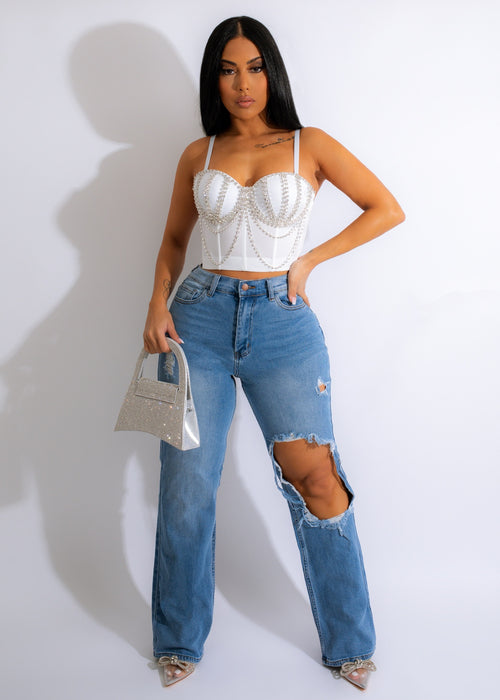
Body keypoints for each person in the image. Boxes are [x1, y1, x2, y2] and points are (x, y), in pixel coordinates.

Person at [143, 15, 404, 690]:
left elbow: (384, 207)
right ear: (214, 80)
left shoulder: (308, 144)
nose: (243, 83)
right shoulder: (198, 154)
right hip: (198, 320)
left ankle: (350, 644)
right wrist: (156, 305)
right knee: (186, 487)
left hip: (282, 325)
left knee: (318, 479)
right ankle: (178, 639)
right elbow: (174, 241)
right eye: (228, 70)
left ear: (272, 72)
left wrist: (308, 262)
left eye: (255, 67)